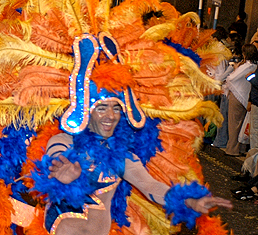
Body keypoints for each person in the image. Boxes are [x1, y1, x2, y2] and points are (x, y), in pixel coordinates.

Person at [41, 99, 232, 234]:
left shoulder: (122, 155)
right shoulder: (65, 141)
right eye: (102, 108)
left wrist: (188, 201)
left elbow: (150, 186)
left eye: (116, 108)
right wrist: (60, 173)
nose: (111, 115)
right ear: (86, 110)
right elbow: (54, 157)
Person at [222, 43, 258, 156]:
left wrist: (236, 69)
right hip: (246, 97)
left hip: (237, 96)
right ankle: (241, 148)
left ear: (244, 54)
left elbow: (231, 78)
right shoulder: (254, 66)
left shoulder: (246, 66)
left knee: (234, 124)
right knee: (243, 124)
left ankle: (232, 149)